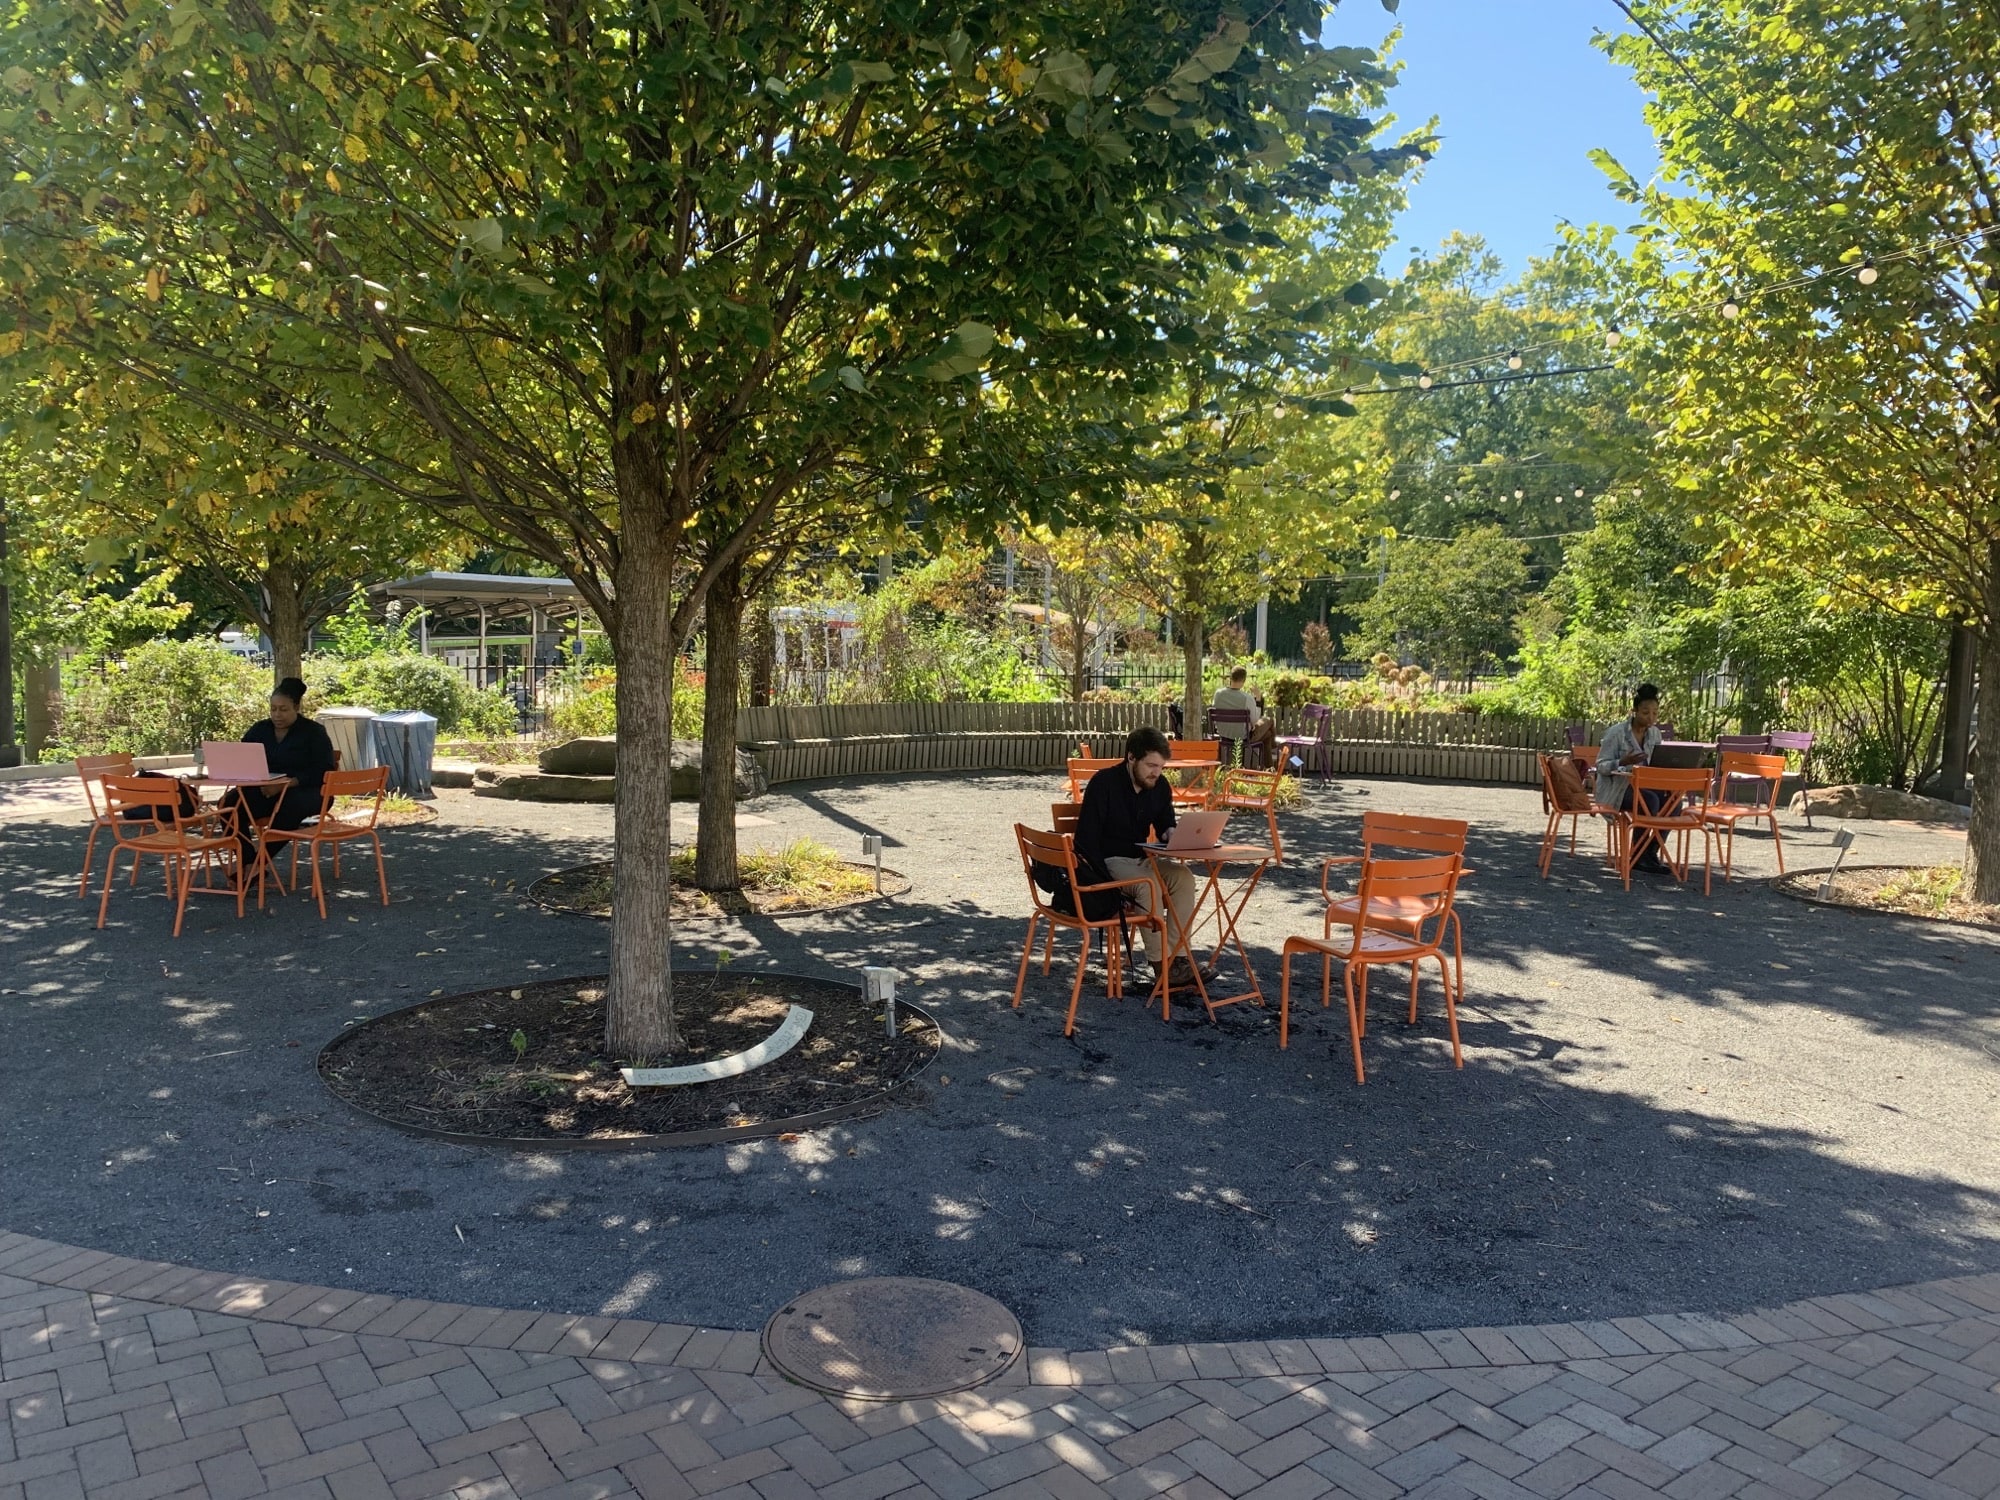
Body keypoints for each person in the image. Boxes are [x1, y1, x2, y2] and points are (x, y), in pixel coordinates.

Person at [1075, 725, 1201, 984]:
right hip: (1108, 861)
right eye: (1150, 765)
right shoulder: (1104, 783)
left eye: (1161, 767)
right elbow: (1086, 841)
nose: (1156, 772)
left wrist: (1170, 832)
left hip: (1141, 858)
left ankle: (1177, 958)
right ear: (1131, 757)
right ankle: (1162, 966)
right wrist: (1106, 888)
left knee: (1184, 878)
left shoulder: (1160, 785)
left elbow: (1166, 821)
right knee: (1148, 885)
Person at [224, 677, 337, 852]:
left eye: (283, 710)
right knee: (229, 804)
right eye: (273, 709)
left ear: (297, 708)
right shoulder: (259, 729)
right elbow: (243, 757)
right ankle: (246, 860)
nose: (277, 714)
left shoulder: (314, 732)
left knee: (291, 805)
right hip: (266, 790)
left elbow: (324, 770)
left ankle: (260, 862)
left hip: (307, 790)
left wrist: (288, 783)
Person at [1597, 683, 1669, 873]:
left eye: (1655, 713)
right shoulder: (1617, 733)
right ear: (1635, 711)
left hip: (1645, 784)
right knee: (1650, 800)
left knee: (1673, 802)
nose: (1651, 717)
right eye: (1646, 712)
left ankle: (1649, 853)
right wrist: (1622, 761)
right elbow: (1601, 766)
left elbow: (1656, 764)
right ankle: (1637, 856)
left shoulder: (1655, 734)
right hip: (1617, 789)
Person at [1211, 667, 1277, 766]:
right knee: (1269, 720)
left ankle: (1270, 768)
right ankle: (1274, 749)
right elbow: (1255, 721)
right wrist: (1258, 699)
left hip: (1223, 736)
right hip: (1243, 737)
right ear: (1244, 680)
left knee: (1267, 735)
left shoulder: (1218, 694)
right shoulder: (1247, 698)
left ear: (1230, 678)